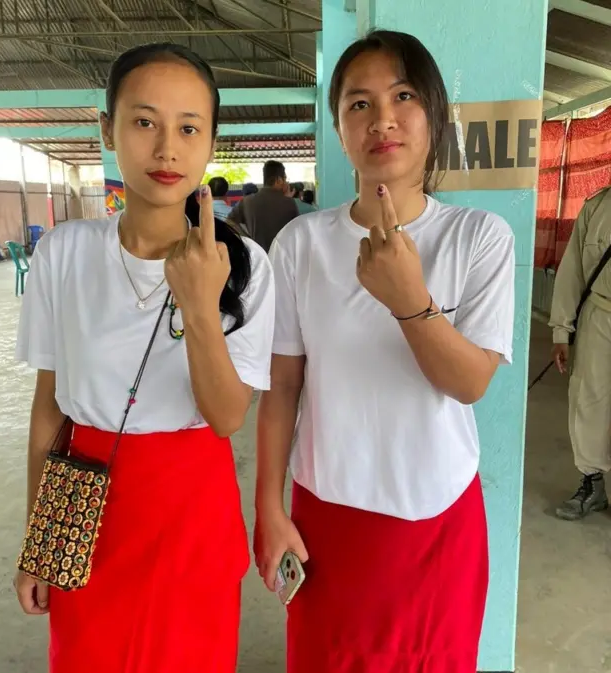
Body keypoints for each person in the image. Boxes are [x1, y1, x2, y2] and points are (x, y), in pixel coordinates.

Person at [254, 30, 515, 673]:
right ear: (340, 128)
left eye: (403, 96)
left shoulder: (477, 239)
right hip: (328, 523)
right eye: (359, 103)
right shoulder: (301, 244)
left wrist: (408, 300)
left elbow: (471, 382)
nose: (383, 119)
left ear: (433, 114)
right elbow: (282, 388)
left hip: (439, 523)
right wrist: (267, 506)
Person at [14, 42, 275, 673]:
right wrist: (40, 541)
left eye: (189, 128)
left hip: (191, 513)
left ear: (209, 142)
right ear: (107, 128)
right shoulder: (66, 253)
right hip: (87, 504)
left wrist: (198, 305)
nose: (167, 148)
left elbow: (225, 417)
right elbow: (50, 405)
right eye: (144, 122)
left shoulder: (244, 266)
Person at [549, 185, 611, 521]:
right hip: (599, 316)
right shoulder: (596, 208)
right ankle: (592, 484)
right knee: (588, 399)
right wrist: (562, 329)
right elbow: (572, 270)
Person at [228, 159, 299, 252]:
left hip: (257, 256)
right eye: (285, 179)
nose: (286, 182)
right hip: (281, 256)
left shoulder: (246, 201)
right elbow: (297, 231)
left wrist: (248, 239)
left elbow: (229, 222)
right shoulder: (290, 203)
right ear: (278, 180)